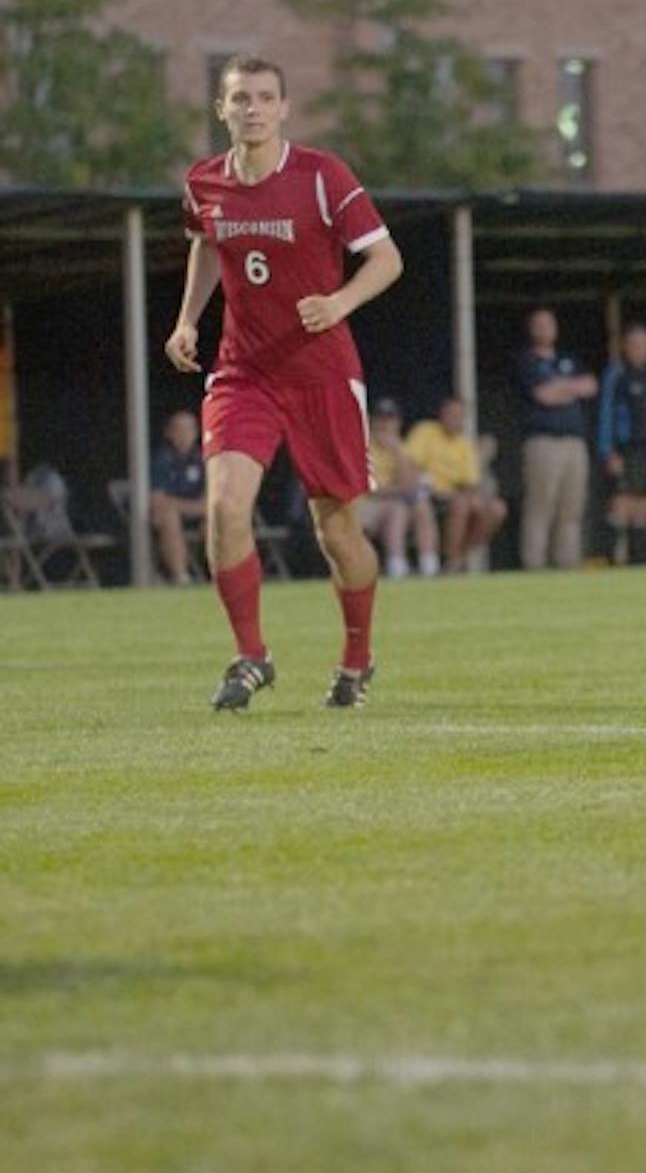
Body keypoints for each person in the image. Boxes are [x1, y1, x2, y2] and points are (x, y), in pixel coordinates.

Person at [165, 53, 403, 710]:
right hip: (244, 371)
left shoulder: (323, 177)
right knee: (223, 509)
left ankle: (357, 659)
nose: (253, 109)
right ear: (222, 109)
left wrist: (339, 303)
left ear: (284, 108)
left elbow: (387, 259)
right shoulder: (204, 182)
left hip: (321, 373)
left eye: (265, 98)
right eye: (240, 99)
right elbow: (207, 243)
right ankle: (251, 657)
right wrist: (188, 321)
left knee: (337, 533)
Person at [513, 308, 596, 571]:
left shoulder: (568, 359)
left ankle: (567, 563)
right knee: (540, 507)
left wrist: (561, 388)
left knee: (571, 508)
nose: (545, 328)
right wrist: (571, 388)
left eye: (549, 323)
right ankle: (535, 565)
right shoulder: (525, 361)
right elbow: (544, 396)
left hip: (573, 442)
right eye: (539, 324)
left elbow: (590, 386)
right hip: (543, 442)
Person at [405, 394, 508, 572]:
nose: (454, 419)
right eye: (451, 414)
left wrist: (473, 498)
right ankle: (451, 560)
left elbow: (470, 482)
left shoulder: (464, 444)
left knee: (496, 509)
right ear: (442, 414)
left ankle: (459, 556)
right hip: (425, 494)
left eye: (459, 416)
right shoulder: (425, 431)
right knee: (460, 504)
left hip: (452, 495)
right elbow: (411, 465)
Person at [598, 320, 646, 565]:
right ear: (624, 347)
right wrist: (609, 452)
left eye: (643, 344)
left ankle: (641, 561)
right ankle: (616, 559)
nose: (639, 349)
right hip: (627, 450)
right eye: (634, 344)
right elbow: (606, 415)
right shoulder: (617, 375)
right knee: (623, 503)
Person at [358, 397, 439, 579]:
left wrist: (398, 452)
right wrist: (399, 490)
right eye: (380, 419)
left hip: (391, 503)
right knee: (397, 508)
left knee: (421, 506)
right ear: (371, 420)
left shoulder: (401, 447)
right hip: (364, 506)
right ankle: (397, 566)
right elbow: (369, 489)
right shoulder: (361, 445)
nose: (385, 425)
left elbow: (410, 483)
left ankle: (429, 567)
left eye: (390, 419)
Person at [148, 409, 206, 585]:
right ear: (169, 433)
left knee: (219, 516)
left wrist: (180, 505)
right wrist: (187, 506)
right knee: (169, 517)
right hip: (164, 518)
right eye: (179, 430)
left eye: (189, 430)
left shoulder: (202, 458)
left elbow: (212, 499)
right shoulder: (161, 459)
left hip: (195, 514)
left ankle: (219, 574)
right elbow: (157, 501)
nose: (184, 435)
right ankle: (181, 577)